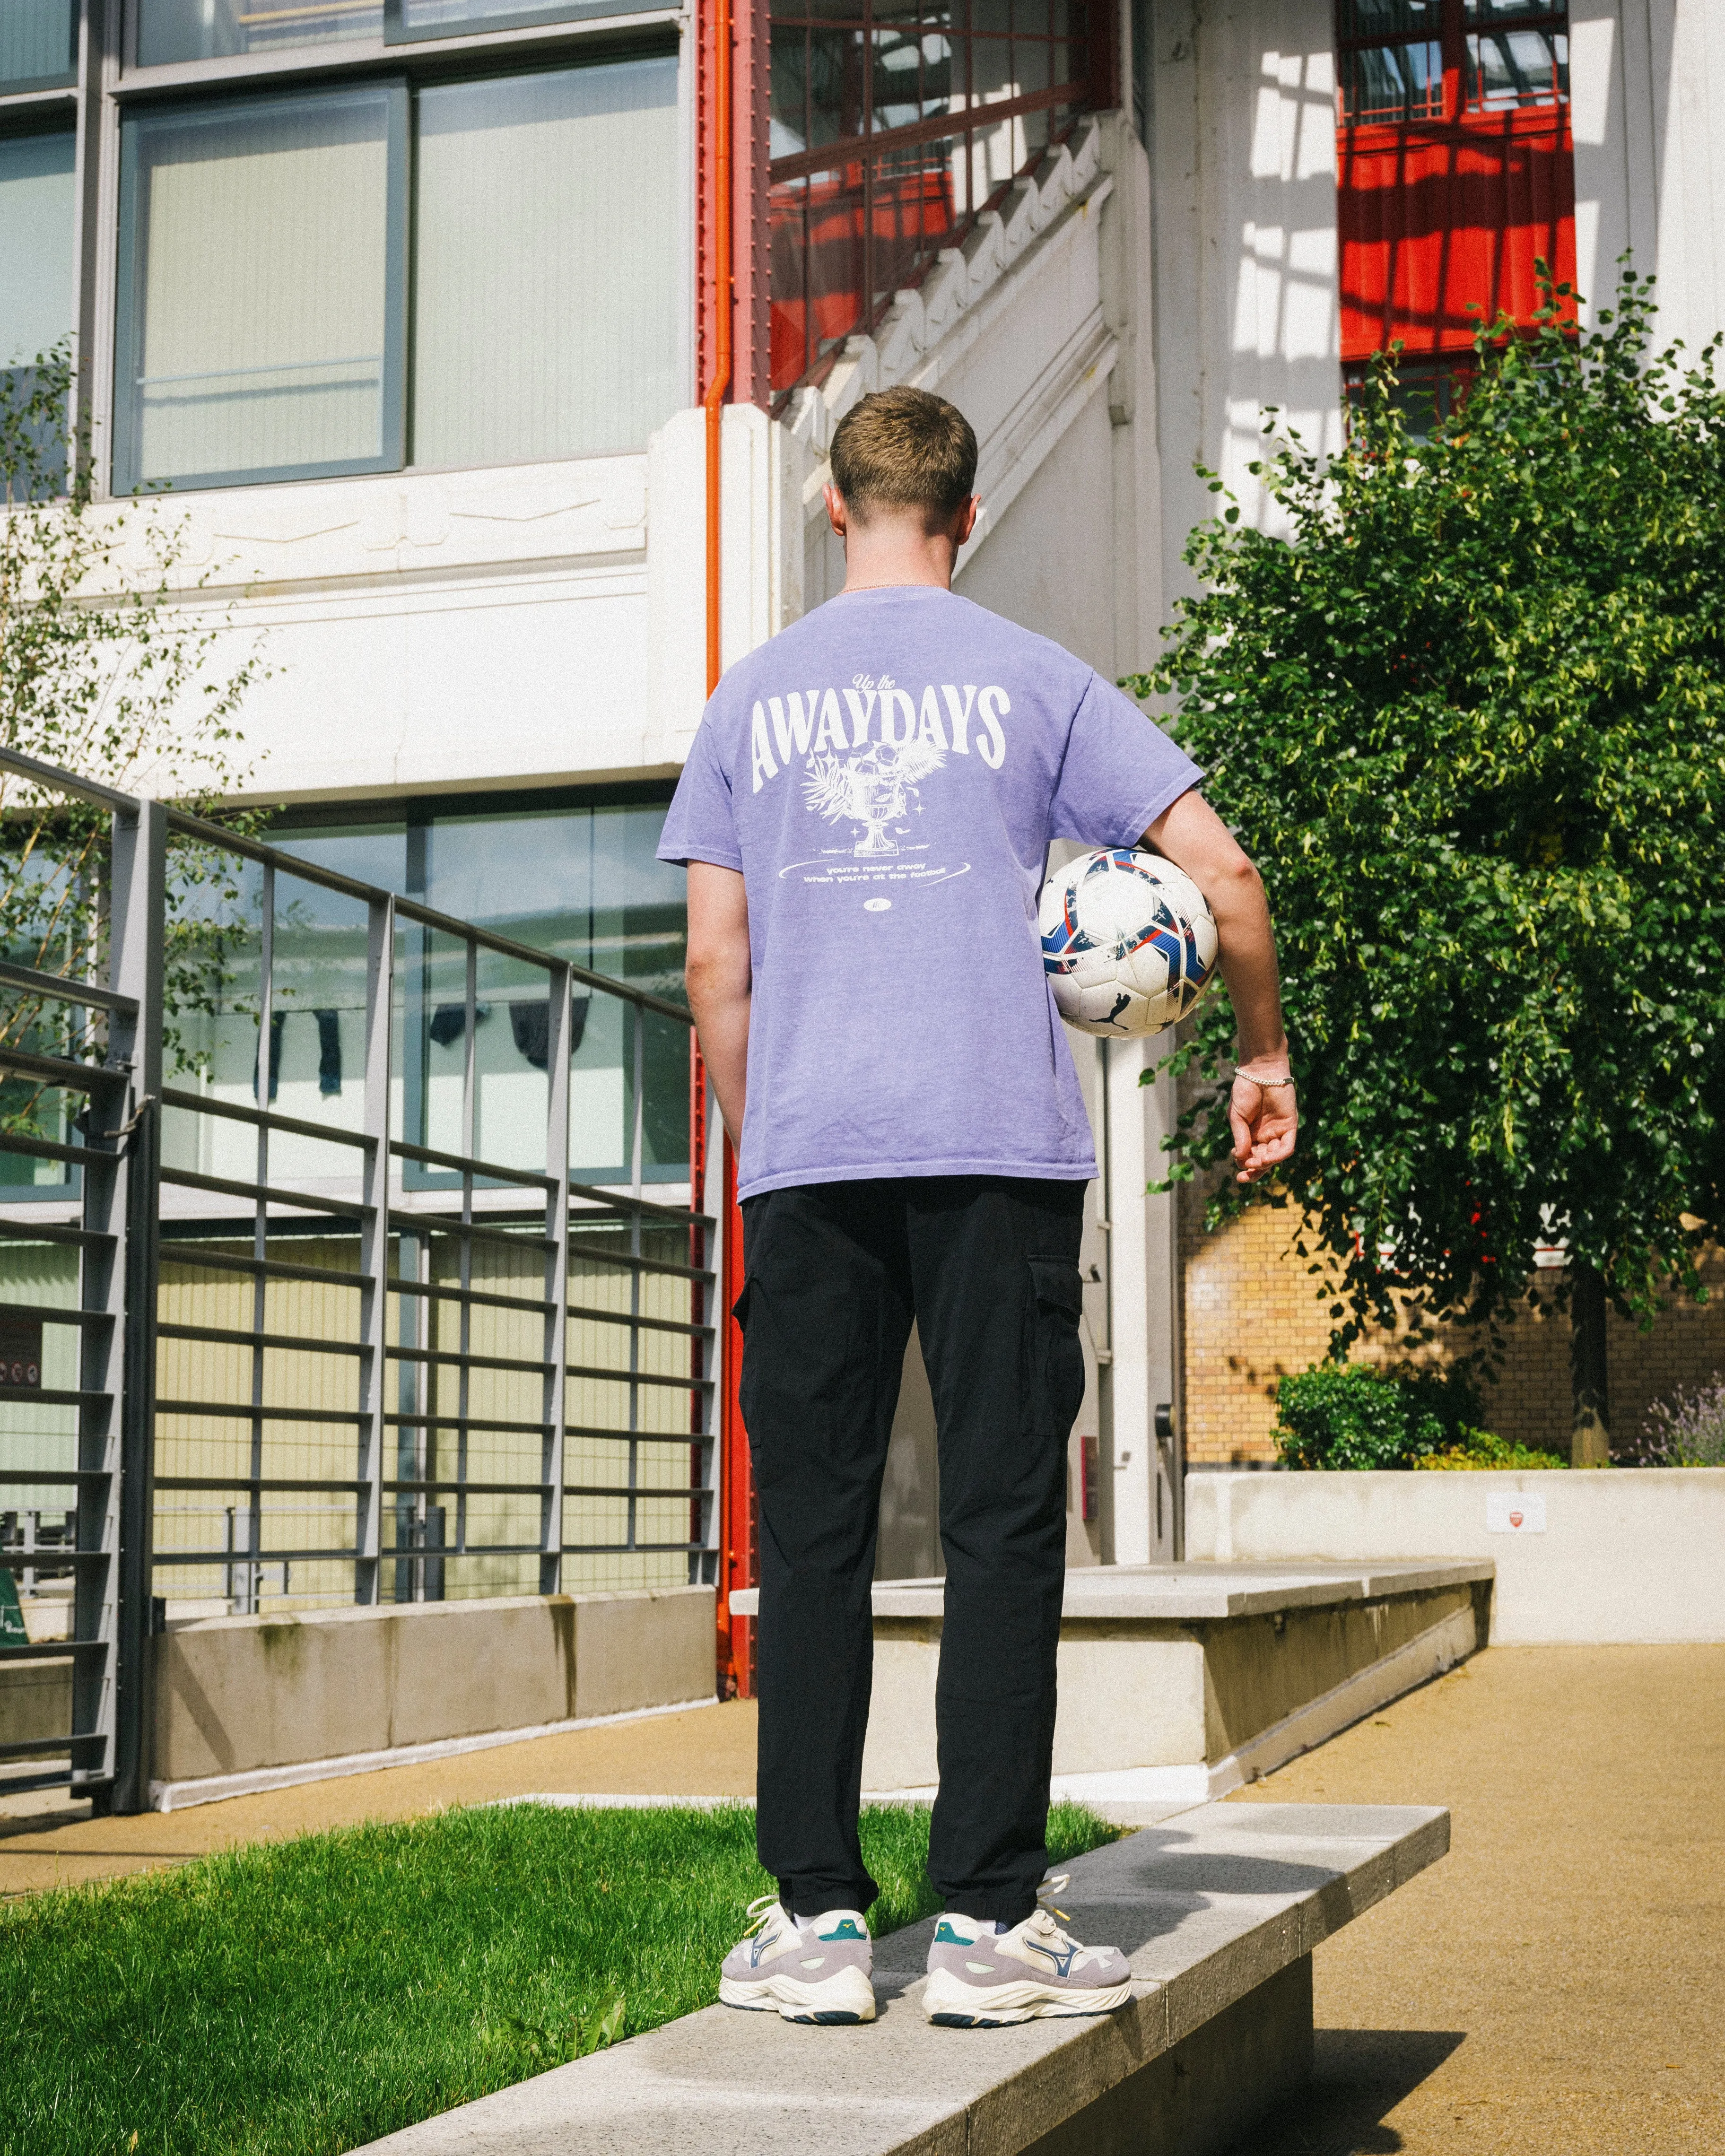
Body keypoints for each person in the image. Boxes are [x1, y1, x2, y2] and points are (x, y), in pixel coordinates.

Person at [658, 386, 1296, 2030]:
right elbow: (1225, 877)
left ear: (827, 502)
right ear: (973, 508)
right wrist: (1261, 1051)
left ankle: (812, 1926)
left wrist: (766, 1138)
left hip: (810, 1166)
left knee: (809, 1537)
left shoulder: (749, 697)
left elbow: (713, 964)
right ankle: (989, 1928)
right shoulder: (1038, 677)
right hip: (1000, 1161)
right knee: (1006, 1529)